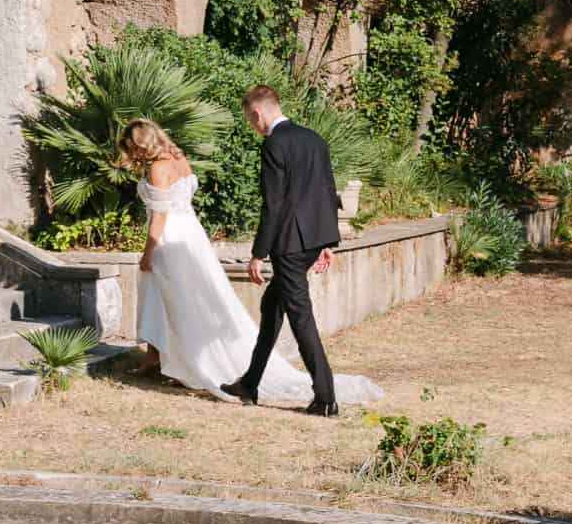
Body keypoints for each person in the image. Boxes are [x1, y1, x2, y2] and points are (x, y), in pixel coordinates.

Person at [117, 106, 381, 412]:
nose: (251, 124)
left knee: (300, 317)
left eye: (249, 117)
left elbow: (273, 204)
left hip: (282, 246)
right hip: (293, 240)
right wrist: (325, 241)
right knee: (270, 311)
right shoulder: (314, 138)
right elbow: (323, 192)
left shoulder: (275, 143)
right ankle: (249, 382)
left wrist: (258, 254)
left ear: (257, 112)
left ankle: (325, 397)